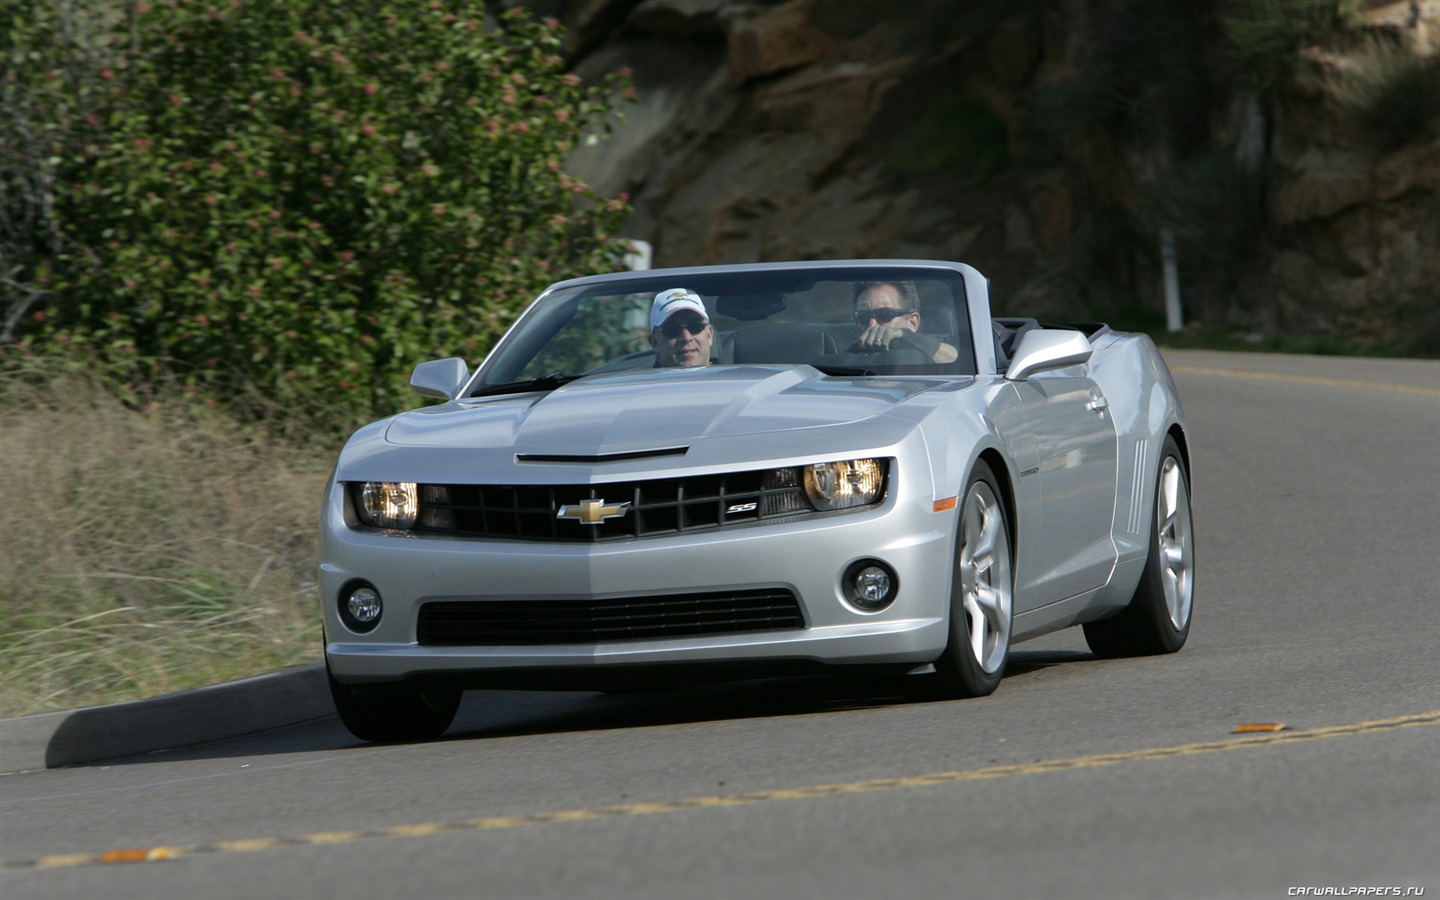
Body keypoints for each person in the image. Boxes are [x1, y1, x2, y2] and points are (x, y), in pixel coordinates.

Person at [850, 280, 958, 363]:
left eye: (884, 314)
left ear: (912, 322)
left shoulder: (928, 356)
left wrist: (903, 335)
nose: (872, 324)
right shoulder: (847, 363)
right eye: (863, 316)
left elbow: (953, 359)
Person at [649, 288, 714, 367]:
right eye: (672, 329)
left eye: (695, 326)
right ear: (655, 343)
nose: (686, 337)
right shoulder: (636, 379)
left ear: (709, 335)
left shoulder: (730, 377)